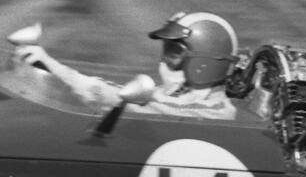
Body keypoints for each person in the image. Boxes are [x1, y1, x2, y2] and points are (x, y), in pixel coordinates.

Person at [15, 12, 239, 120]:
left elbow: (115, 98)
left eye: (174, 51)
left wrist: (54, 67)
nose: (165, 59)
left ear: (203, 61)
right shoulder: (176, 96)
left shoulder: (212, 113)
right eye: (166, 49)